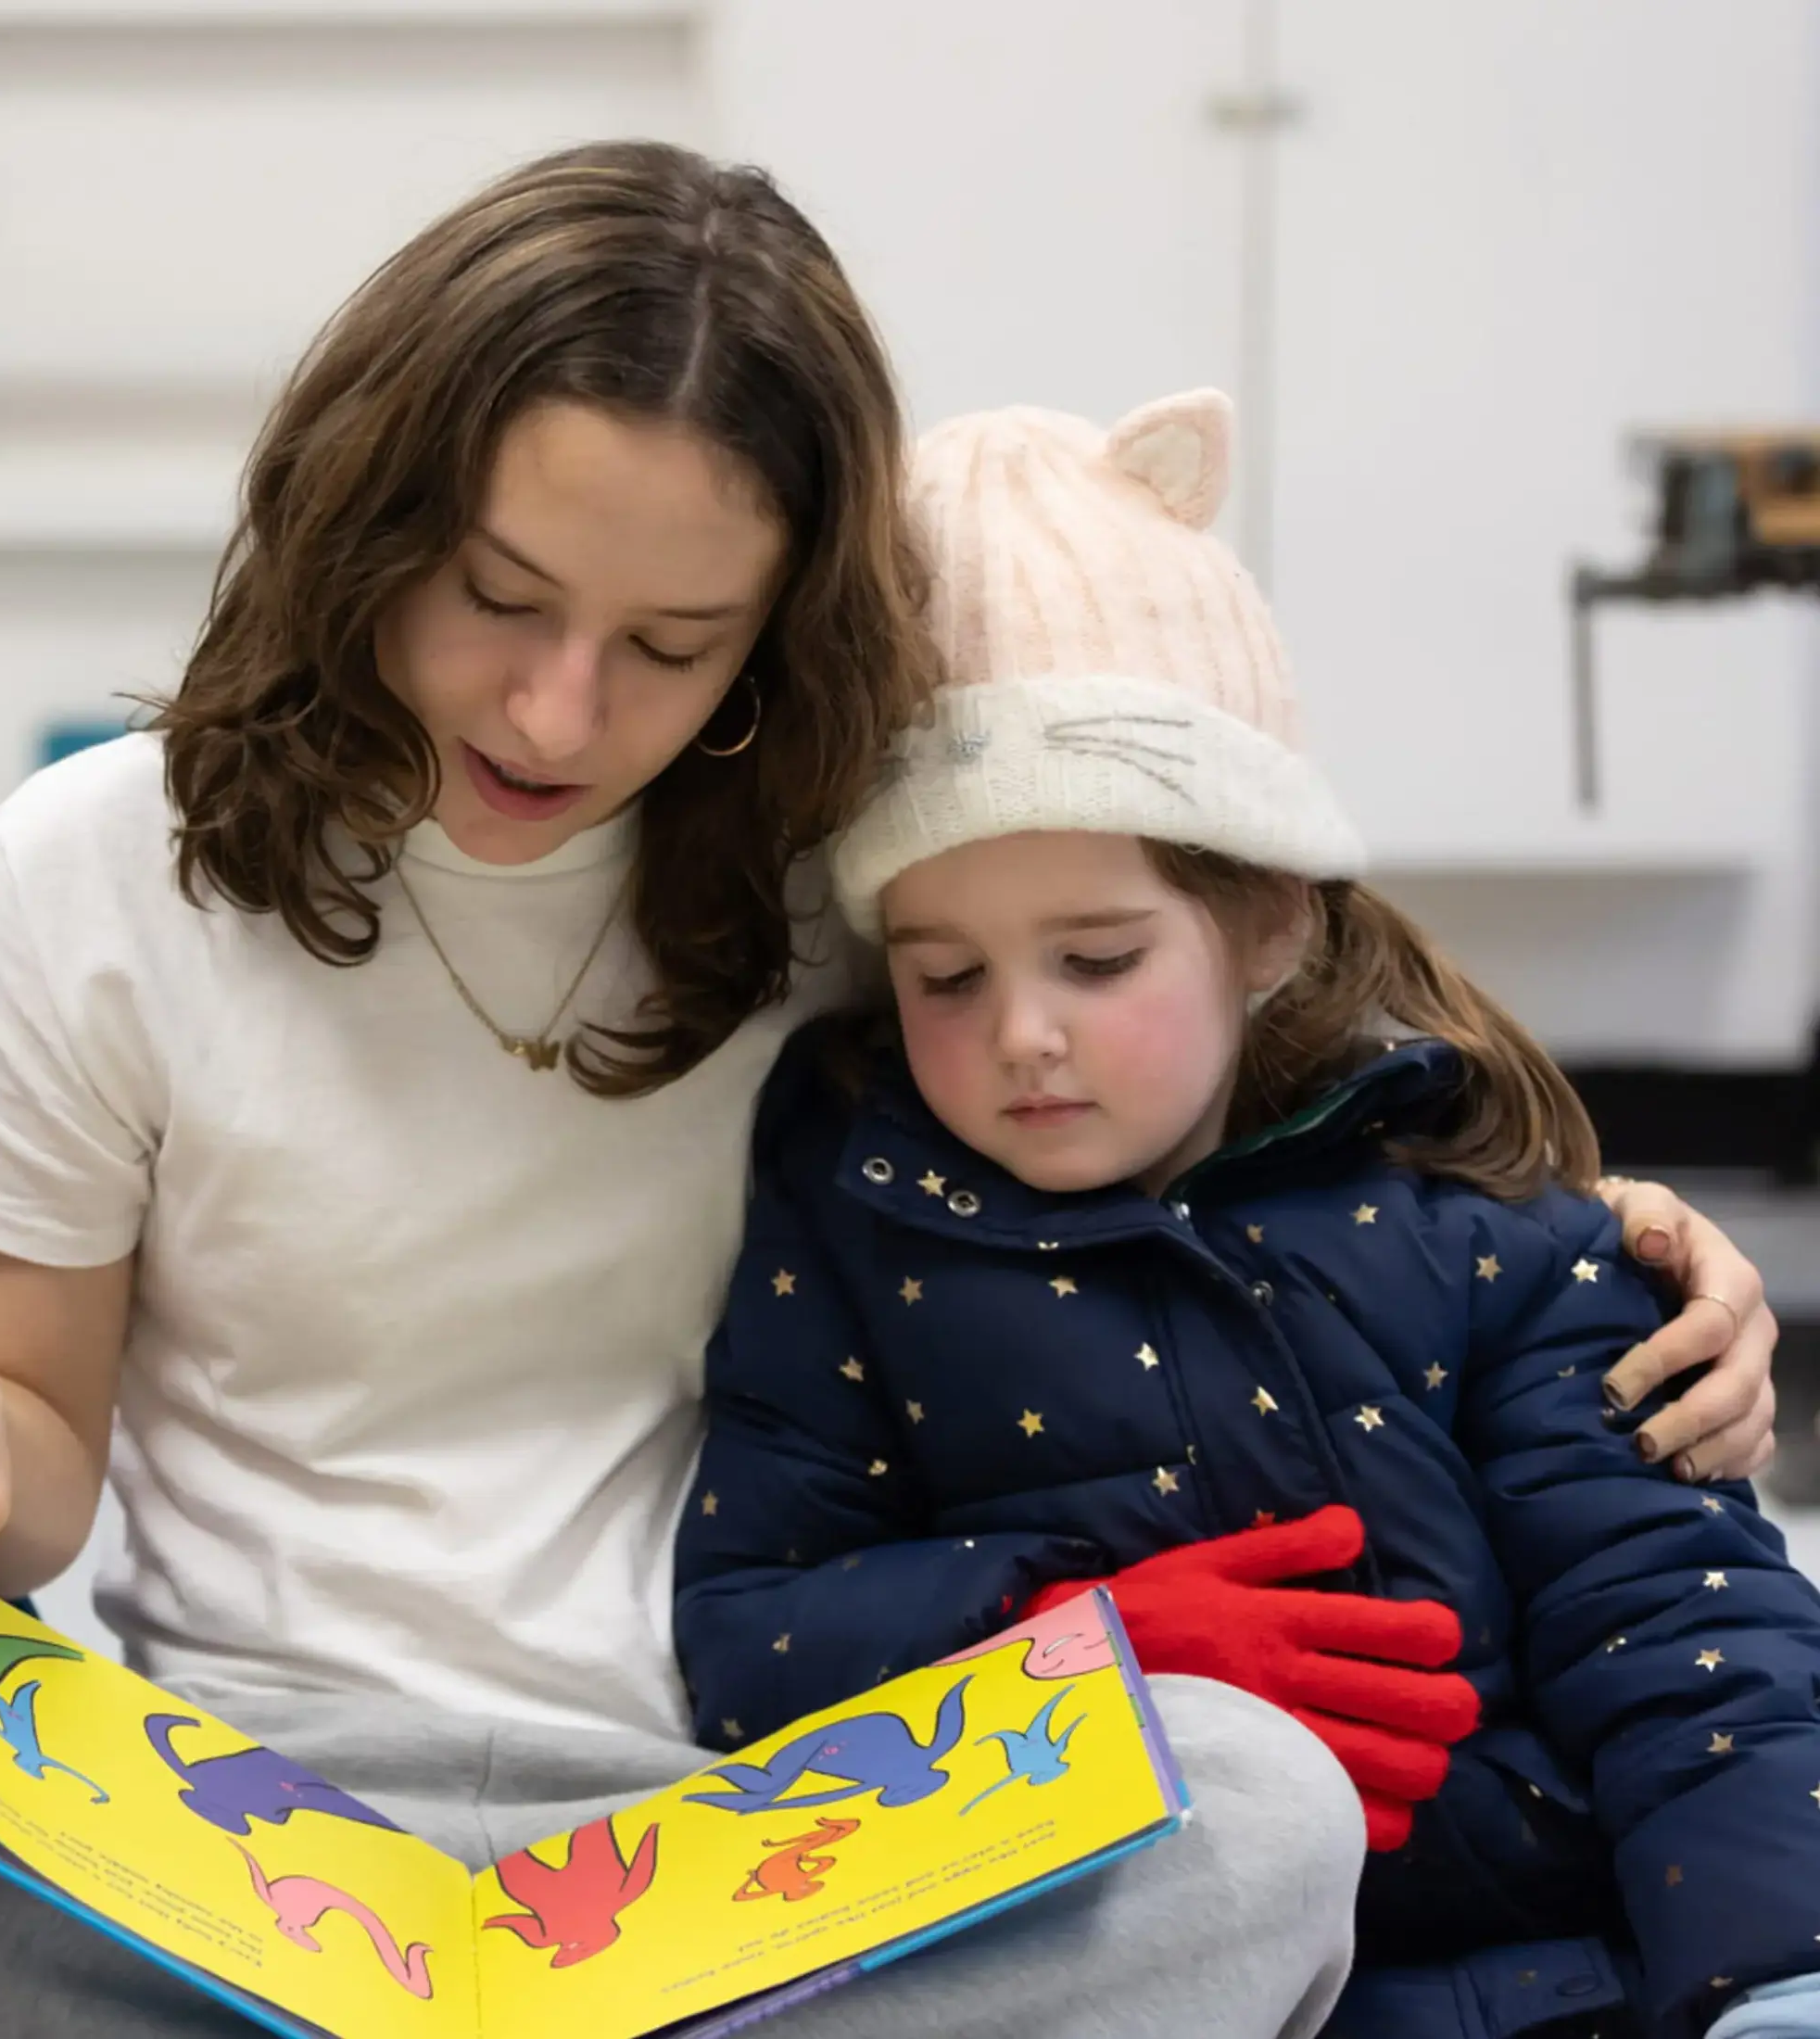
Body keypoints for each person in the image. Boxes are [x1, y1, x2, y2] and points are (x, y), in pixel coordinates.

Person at [0, 144, 1782, 2038]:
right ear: (368, 513)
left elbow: (1251, 1007)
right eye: (499, 601)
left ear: (778, 643)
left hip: (767, 1809)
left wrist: (1629, 1238)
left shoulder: (855, 882)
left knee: (1258, 1813)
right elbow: (32, 1420)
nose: (555, 708)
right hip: (250, 1800)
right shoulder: (90, 868)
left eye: (673, 646)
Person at [676, 388, 1820, 2039]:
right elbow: (750, 1632)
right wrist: (1061, 1640)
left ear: (1266, 918)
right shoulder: (857, 1222)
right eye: (945, 974)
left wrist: (1772, 1977)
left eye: (1097, 957)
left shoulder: (1491, 1232)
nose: (1022, 1034)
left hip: (1558, 1980)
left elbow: (1682, 1637)